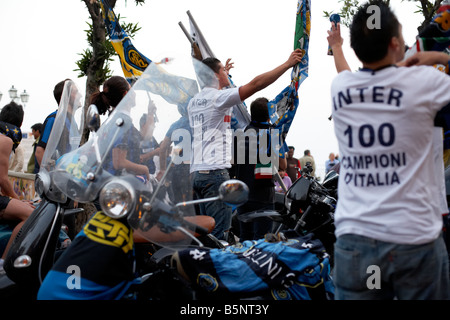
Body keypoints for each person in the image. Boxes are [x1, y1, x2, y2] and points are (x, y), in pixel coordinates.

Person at [328, 1, 450, 300]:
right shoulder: (426, 83)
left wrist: (337, 46)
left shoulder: (341, 89)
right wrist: (436, 56)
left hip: (355, 242)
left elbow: (345, 71)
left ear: (357, 48)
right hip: (415, 242)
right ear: (396, 43)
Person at [188, 49, 302, 240]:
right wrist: (287, 64)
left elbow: (219, 91)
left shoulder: (195, 101)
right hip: (217, 175)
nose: (226, 72)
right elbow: (256, 84)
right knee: (218, 237)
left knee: (203, 236)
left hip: (197, 175)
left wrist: (224, 76)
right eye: (223, 71)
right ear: (215, 75)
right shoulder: (219, 99)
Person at [235, 97, 287, 240]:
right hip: (263, 194)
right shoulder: (272, 133)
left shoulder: (242, 133)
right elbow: (282, 165)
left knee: (245, 237)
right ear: (270, 114)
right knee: (262, 239)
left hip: (242, 194)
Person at [0, 102, 35, 271]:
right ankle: (3, 263)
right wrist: (19, 201)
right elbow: (3, 180)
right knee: (31, 215)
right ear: (20, 124)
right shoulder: (5, 140)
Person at [35, 79, 71, 167]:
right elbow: (39, 152)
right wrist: (50, 177)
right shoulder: (54, 119)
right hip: (58, 178)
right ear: (67, 96)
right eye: (75, 92)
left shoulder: (72, 121)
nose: (80, 95)